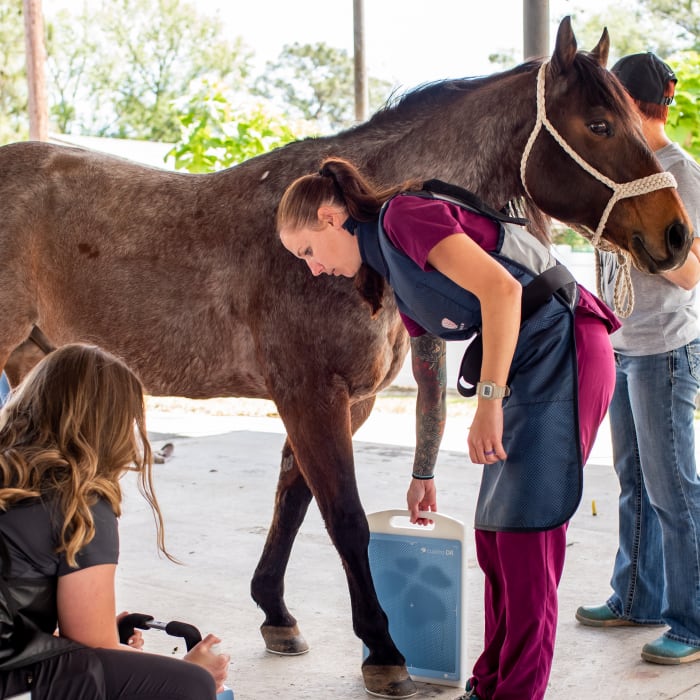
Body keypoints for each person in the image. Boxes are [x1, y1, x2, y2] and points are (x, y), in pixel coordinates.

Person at [276, 158, 619, 700]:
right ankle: (489, 686)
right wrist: (423, 471)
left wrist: (488, 402)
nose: (313, 269)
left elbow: (503, 292)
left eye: (308, 252)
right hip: (523, 366)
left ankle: (516, 692)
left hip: (566, 350)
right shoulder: (394, 271)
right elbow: (430, 380)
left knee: (529, 543)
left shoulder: (404, 218)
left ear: (329, 217)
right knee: (493, 540)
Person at [0, 343, 230, 699]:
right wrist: (188, 668)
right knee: (193, 684)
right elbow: (93, 645)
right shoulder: (79, 501)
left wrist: (101, 633)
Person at [575, 53, 700, 665]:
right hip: (623, 345)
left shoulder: (679, 173)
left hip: (666, 348)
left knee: (675, 491)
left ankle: (693, 622)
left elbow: (691, 274)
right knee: (634, 483)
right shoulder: (620, 173)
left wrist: (636, 236)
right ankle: (635, 597)